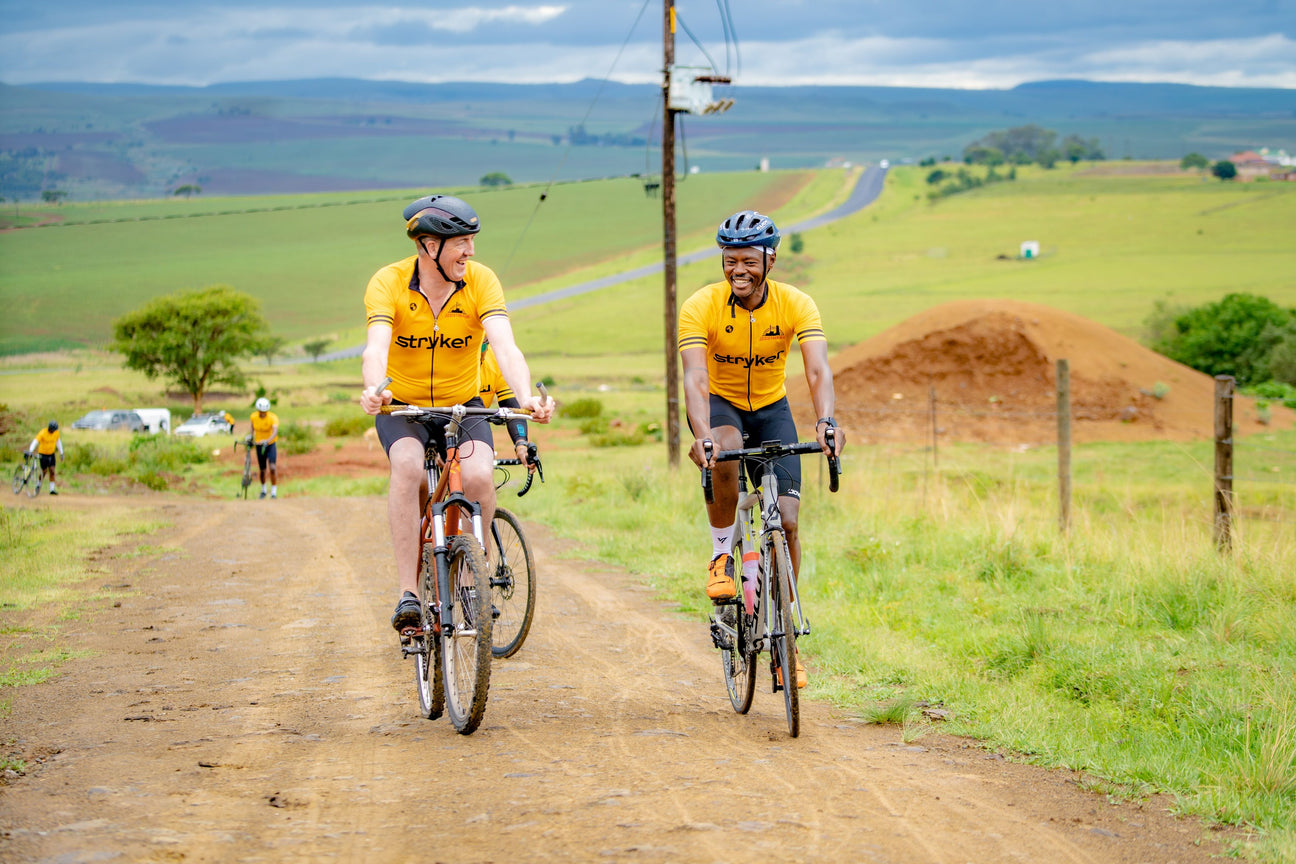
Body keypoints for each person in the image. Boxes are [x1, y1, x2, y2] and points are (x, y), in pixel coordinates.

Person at [359, 194, 553, 632]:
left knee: (480, 476)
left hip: (463, 406)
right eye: (462, 242)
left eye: (472, 241)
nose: (471, 251)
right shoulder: (388, 282)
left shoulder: (482, 281)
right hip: (403, 407)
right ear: (430, 246)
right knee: (408, 467)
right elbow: (376, 347)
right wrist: (373, 389)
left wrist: (526, 398)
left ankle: (472, 580)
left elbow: (505, 346)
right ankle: (408, 593)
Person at [678, 210, 845, 688]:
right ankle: (721, 556)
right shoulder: (701, 306)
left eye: (749, 261)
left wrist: (826, 420)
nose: (739, 270)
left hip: (772, 408)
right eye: (730, 261)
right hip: (722, 406)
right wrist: (702, 433)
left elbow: (817, 369)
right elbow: (695, 376)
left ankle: (785, 639)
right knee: (726, 446)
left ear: (770, 260)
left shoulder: (796, 303)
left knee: (787, 521)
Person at [479, 340, 538, 474]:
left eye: (484, 345)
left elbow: (512, 407)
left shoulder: (495, 360)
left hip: (472, 423)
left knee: (481, 472)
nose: (481, 352)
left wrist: (521, 444)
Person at [250, 397, 279, 499]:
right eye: (261, 412)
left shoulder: (273, 417)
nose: (263, 413)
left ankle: (274, 492)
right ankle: (263, 490)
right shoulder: (253, 417)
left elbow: (275, 431)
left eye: (264, 412)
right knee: (262, 470)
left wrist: (267, 440)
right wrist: (250, 437)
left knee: (272, 467)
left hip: (270, 444)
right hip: (259, 445)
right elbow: (252, 429)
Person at [27, 420, 63, 495]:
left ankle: (52, 489)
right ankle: (38, 485)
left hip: (51, 454)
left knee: (52, 470)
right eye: (52, 430)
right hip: (43, 454)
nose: (52, 431)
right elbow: (35, 441)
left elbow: (58, 442)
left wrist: (61, 453)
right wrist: (31, 450)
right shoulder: (43, 432)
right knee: (44, 471)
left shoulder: (56, 433)